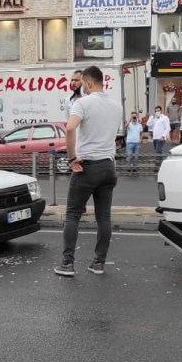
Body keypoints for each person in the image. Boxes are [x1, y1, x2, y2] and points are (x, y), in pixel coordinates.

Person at [56, 65, 123, 278]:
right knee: (104, 217)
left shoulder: (82, 103)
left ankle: (67, 264)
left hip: (87, 167)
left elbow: (69, 128)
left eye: (82, 82)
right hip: (109, 166)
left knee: (73, 215)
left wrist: (71, 158)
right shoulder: (116, 106)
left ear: (88, 83)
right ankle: (98, 263)